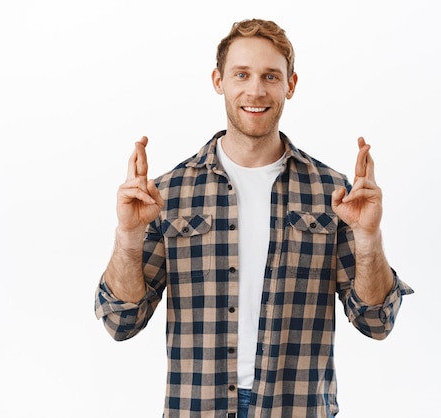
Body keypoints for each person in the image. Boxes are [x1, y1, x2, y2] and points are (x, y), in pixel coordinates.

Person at [95, 18, 413, 418]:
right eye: (241, 74)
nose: (256, 90)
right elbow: (120, 321)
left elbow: (376, 322)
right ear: (219, 80)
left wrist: (368, 238)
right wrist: (128, 235)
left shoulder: (331, 193)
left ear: (290, 85)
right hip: (197, 408)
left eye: (270, 76)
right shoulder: (168, 194)